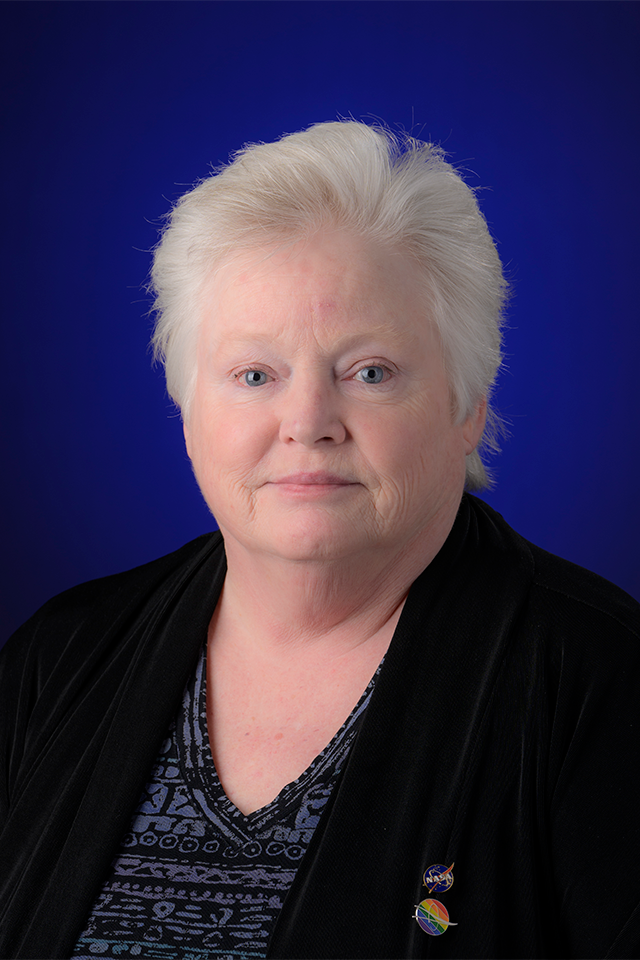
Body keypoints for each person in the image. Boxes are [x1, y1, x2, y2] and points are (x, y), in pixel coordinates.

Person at [1, 120, 639, 960]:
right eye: (254, 374)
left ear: (467, 406)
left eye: (369, 372)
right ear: (189, 411)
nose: (306, 424)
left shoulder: (602, 680)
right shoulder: (61, 656)